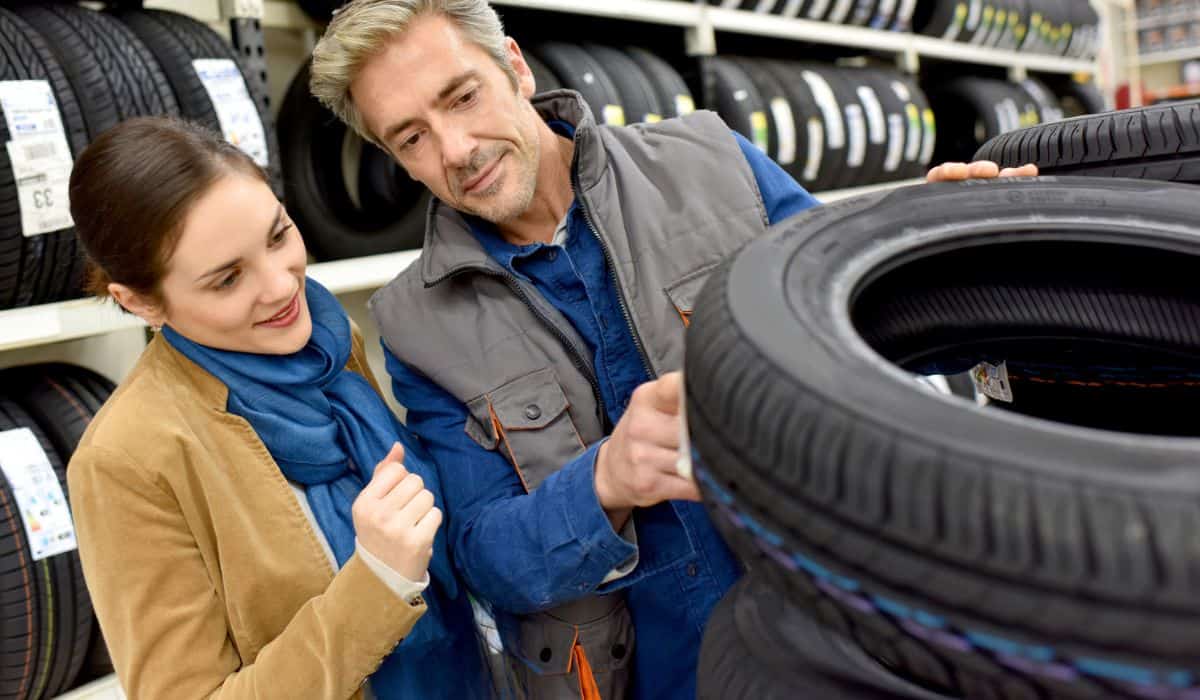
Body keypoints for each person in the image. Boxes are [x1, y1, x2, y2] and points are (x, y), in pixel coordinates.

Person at [309, 3, 1039, 697]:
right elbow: (484, 553)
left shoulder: (713, 163)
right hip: (652, 677)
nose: (455, 150)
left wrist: (948, 267)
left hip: (842, 632)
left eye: (463, 97)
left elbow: (863, 332)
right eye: (411, 138)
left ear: (515, 68)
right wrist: (606, 482)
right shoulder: (415, 323)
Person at [65, 117, 491, 699]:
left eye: (277, 235)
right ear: (141, 302)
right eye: (226, 280)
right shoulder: (127, 459)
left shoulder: (329, 345)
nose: (281, 286)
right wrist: (378, 582)